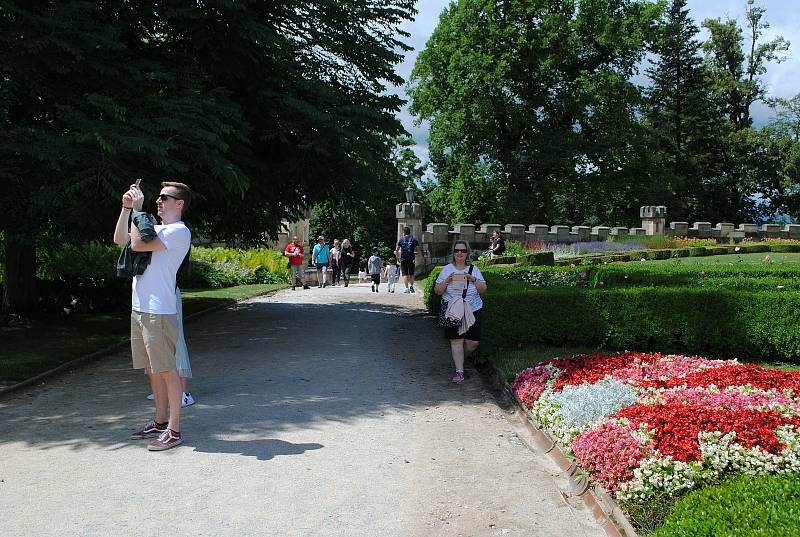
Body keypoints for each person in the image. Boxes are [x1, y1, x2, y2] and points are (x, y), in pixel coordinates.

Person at [114, 180, 192, 450]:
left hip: (159, 311)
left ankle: (174, 429)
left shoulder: (179, 232)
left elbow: (136, 244)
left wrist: (138, 210)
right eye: (158, 198)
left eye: (164, 198)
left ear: (179, 203)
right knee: (151, 368)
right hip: (140, 307)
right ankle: (160, 421)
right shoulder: (157, 228)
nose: (158, 201)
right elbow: (121, 240)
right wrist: (127, 209)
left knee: (167, 370)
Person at [433, 240, 487, 384]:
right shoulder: (447, 269)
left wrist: (473, 279)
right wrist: (447, 281)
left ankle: (462, 357)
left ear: (467, 253)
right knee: (456, 341)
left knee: (472, 343)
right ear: (453, 253)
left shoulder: (474, 269)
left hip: (473, 308)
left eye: (463, 251)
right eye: (457, 250)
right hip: (453, 309)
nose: (459, 253)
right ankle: (460, 371)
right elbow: (437, 291)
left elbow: (483, 289)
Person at [395, 226, 425, 294]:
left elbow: (397, 250)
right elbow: (418, 250)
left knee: (405, 274)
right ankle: (411, 286)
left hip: (403, 259)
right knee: (411, 273)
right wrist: (422, 258)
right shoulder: (414, 239)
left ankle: (406, 288)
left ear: (403, 232)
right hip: (411, 259)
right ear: (409, 232)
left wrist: (397, 258)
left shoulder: (401, 240)